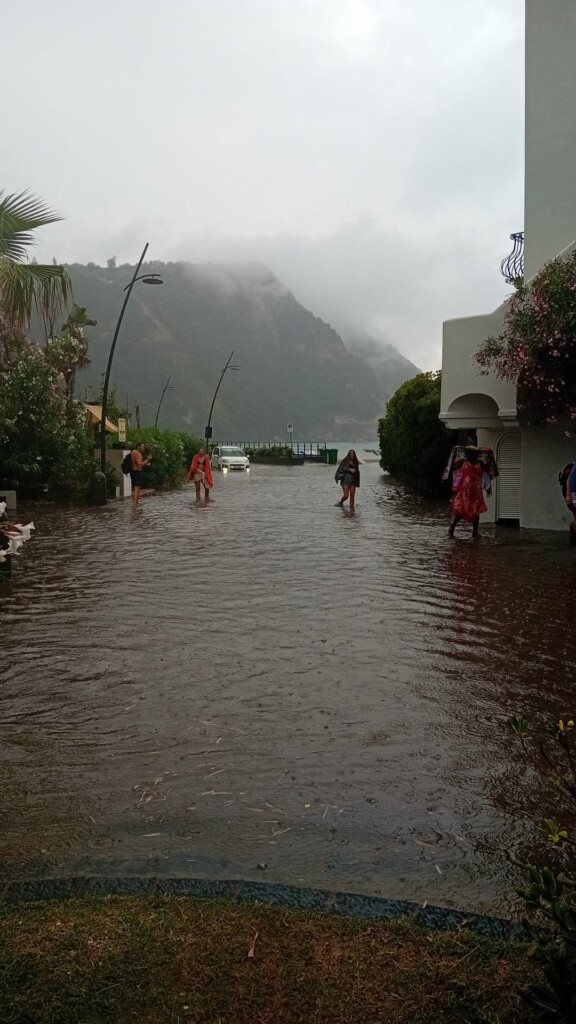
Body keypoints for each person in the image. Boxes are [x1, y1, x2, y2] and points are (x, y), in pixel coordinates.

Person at [449, 447, 487, 538]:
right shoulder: (463, 462)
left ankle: (475, 532)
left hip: (476, 493)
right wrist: (454, 456)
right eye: (471, 453)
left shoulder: (480, 464)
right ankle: (451, 530)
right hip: (464, 493)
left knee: (476, 512)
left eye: (475, 453)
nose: (472, 455)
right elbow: (453, 467)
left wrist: (488, 460)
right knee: (459, 511)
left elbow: (488, 469)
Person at [130, 443, 152, 510]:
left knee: (135, 489)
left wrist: (145, 463)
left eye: (144, 446)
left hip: (133, 472)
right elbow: (139, 465)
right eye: (142, 446)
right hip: (137, 472)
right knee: (137, 490)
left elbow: (137, 463)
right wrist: (147, 460)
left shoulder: (133, 452)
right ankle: (135, 506)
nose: (143, 448)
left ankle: (135, 504)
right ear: (138, 447)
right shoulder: (137, 453)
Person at [564, 461, 576, 544]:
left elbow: (568, 480)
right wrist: (568, 496)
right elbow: (568, 480)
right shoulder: (574, 467)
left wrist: (568, 496)